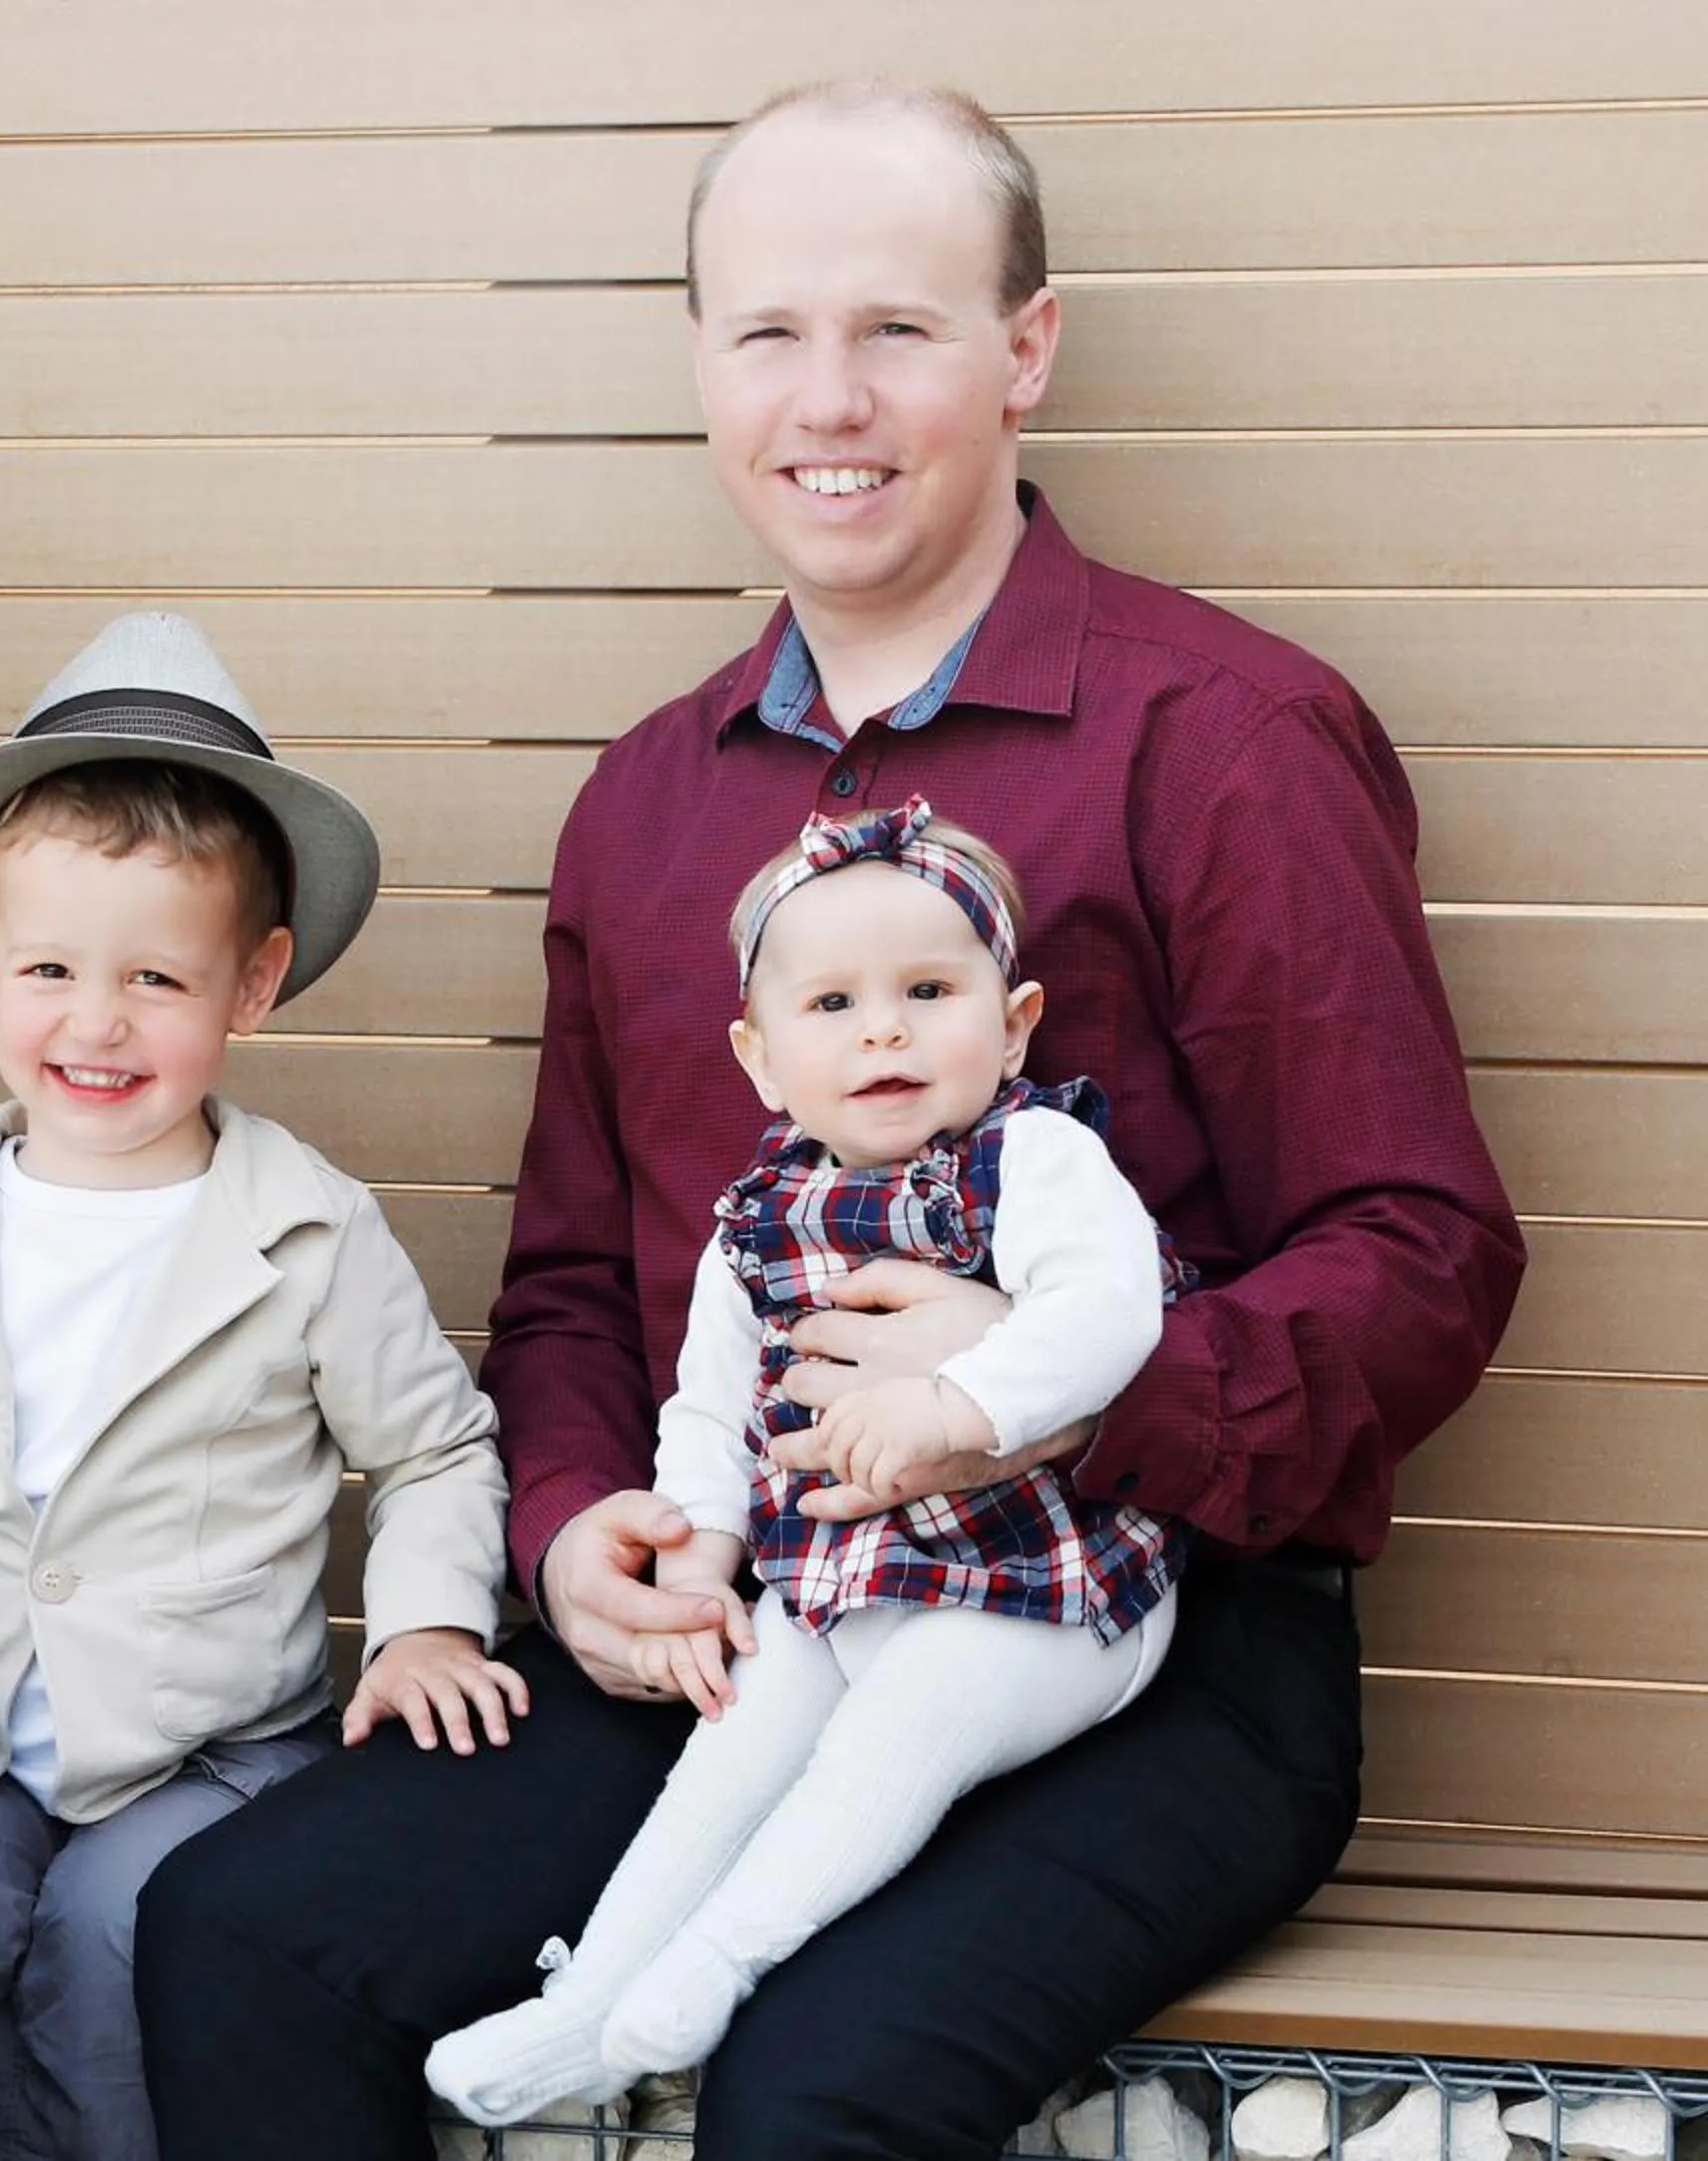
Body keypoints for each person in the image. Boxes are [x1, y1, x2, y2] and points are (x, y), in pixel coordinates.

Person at [136, 78, 1523, 2160]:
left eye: (900, 328)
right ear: (701, 363)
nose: (828, 397)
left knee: (816, 2089)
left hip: (1139, 1633)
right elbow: (584, 1289)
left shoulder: (1225, 741)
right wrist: (579, 1533)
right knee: (243, 1935)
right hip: (768, 1607)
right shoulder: (646, 804)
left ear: (1027, 349)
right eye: (768, 332)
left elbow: (1420, 1254)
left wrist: (1062, 1383)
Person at [0, 611, 516, 2161]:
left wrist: (426, 1621)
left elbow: (434, 1453)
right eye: (53, 966)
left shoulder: (304, 1228)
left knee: (109, 1958)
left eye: (157, 978)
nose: (98, 1022)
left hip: (213, 1753)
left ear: (251, 984)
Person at [428, 799, 1190, 2126]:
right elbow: (707, 1406)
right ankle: (591, 2002)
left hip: (1052, 1588)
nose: (883, 1028)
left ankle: (719, 1964)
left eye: (929, 991)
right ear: (761, 1057)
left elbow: (1112, 1313)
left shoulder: (1039, 1159)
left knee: (905, 1727)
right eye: (832, 1002)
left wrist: (963, 1399)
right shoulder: (756, 1219)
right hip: (844, 1581)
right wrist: (701, 1549)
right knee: (735, 1732)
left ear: (1012, 1024)